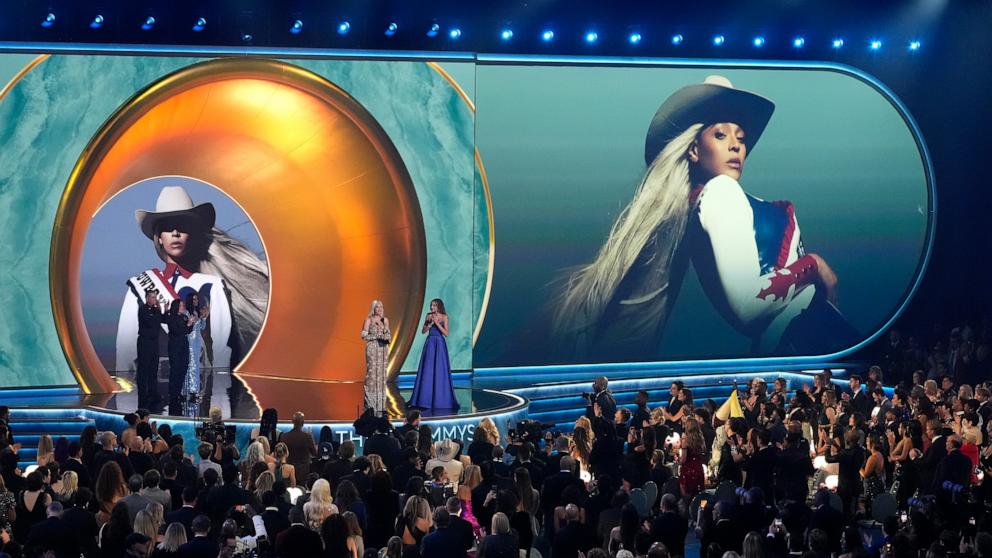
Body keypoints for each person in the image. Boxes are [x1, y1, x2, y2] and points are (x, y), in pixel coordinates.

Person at [553, 75, 855, 360]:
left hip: (798, 341)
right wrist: (812, 265)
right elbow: (748, 308)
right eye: (721, 135)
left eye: (741, 137)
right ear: (695, 149)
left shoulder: (711, 201)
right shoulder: (720, 192)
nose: (736, 145)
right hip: (803, 337)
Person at [116, 185, 269, 376]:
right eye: (167, 227)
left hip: (203, 395)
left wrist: (220, 402)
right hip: (154, 397)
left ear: (192, 234)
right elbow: (124, 357)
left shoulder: (214, 286)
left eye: (182, 226)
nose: (175, 233)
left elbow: (222, 353)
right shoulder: (138, 287)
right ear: (159, 238)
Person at [408, 298, 459, 411]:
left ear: (439, 306)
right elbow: (423, 331)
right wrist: (429, 325)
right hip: (430, 344)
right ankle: (423, 400)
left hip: (439, 344)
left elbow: (446, 333)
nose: (432, 307)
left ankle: (440, 400)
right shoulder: (428, 316)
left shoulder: (444, 317)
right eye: (431, 305)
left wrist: (437, 324)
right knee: (427, 370)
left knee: (439, 370)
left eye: (434, 306)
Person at [362, 300, 392, 414]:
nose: (380, 309)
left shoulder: (385, 320)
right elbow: (364, 335)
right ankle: (370, 404)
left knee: (381, 375)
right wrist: (376, 335)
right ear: (373, 308)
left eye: (381, 307)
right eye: (377, 307)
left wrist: (384, 333)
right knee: (372, 374)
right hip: (372, 348)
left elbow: (388, 334)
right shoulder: (369, 320)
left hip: (383, 349)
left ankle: (380, 405)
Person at [135, 289, 163, 407]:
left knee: (153, 369)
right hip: (145, 342)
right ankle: (143, 395)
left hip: (154, 343)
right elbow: (151, 322)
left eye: (155, 297)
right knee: (143, 370)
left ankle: (153, 393)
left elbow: (160, 321)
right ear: (147, 298)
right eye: (152, 297)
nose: (154, 299)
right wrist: (158, 312)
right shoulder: (143, 309)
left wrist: (162, 310)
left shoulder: (156, 310)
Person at [165, 299, 192, 416]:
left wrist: (190, 324)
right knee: (175, 369)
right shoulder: (172, 317)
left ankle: (178, 391)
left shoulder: (183, 317)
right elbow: (177, 331)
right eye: (181, 305)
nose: (183, 307)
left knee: (183, 368)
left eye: (183, 305)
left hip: (183, 346)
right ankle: (173, 394)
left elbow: (187, 331)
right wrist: (188, 325)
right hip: (175, 347)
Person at [183, 300, 208, 408]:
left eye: (197, 299)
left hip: (197, 341)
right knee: (191, 365)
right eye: (193, 299)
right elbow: (188, 327)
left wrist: (203, 317)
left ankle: (194, 391)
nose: (196, 301)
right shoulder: (187, 313)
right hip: (190, 341)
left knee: (196, 366)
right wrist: (194, 320)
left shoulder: (197, 312)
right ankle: (189, 391)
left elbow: (202, 327)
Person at [279, 412, 316, 482]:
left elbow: (280, 455)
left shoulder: (284, 437)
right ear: (303, 423)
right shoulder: (307, 437)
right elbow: (314, 453)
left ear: (292, 422)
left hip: (287, 472)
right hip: (303, 473)